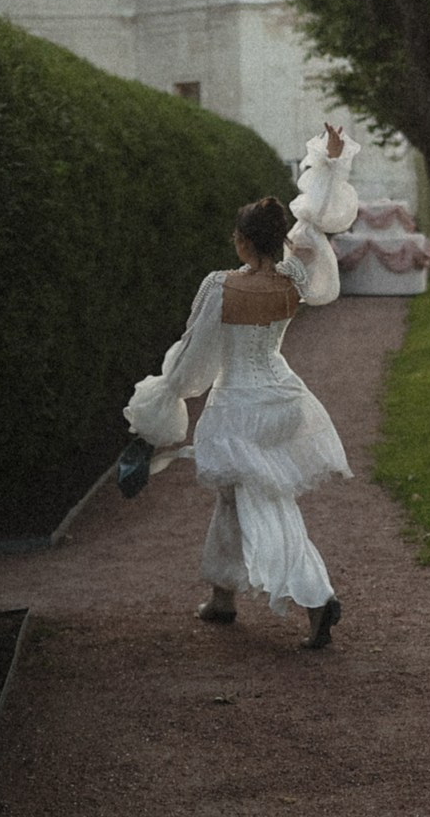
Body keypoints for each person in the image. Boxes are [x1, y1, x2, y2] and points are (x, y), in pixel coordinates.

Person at [124, 124, 360, 649]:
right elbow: (314, 222)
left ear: (243, 242)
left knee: (264, 505)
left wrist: (159, 408)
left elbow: (192, 359)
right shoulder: (295, 279)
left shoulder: (221, 286)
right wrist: (330, 162)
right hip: (284, 399)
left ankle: (317, 598)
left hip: (238, 407)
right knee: (235, 500)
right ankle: (222, 596)